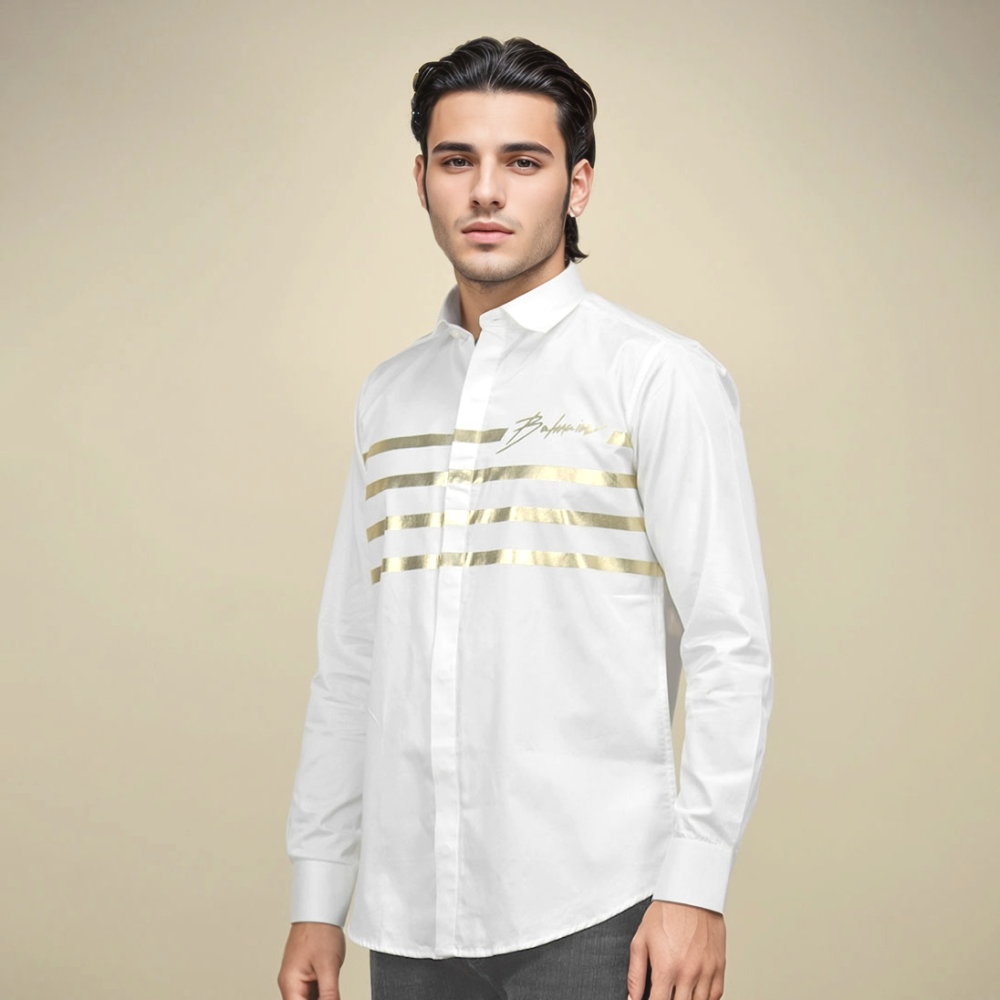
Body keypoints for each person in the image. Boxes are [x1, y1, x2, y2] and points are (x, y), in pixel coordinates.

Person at [277, 35, 774, 1000]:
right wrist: (318, 894)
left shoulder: (656, 376)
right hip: (409, 917)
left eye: (524, 161)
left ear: (577, 185)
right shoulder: (390, 396)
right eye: (457, 160)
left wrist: (696, 885)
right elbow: (352, 660)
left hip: (601, 906)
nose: (486, 191)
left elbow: (730, 643)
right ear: (421, 180)